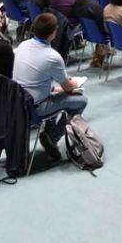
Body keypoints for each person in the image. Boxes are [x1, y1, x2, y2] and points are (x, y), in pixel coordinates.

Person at [12, 13, 88, 161]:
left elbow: (32, 77)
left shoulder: (22, 45)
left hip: (18, 100)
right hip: (35, 107)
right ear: (53, 33)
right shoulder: (52, 56)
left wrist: (53, 89)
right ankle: (52, 137)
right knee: (81, 100)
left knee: (54, 89)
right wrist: (75, 82)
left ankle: (50, 132)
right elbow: (67, 87)